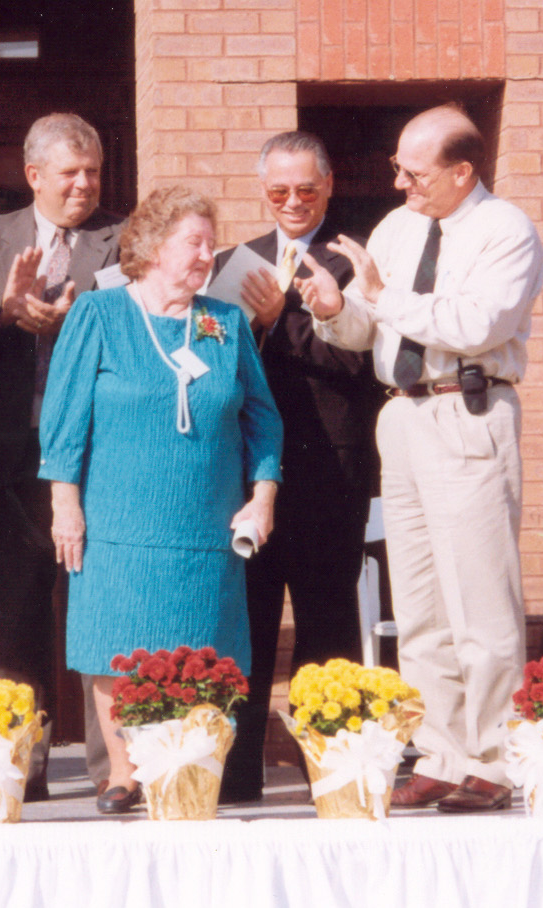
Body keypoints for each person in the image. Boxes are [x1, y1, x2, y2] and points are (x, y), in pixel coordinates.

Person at [301, 104, 543, 813]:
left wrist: (379, 294)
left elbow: (474, 324)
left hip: (466, 411)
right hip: (401, 416)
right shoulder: (399, 227)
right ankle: (440, 752)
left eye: (413, 171)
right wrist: (330, 307)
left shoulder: (505, 231)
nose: (399, 181)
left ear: (462, 170)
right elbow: (365, 326)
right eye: (397, 169)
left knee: (478, 600)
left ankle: (494, 762)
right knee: (417, 603)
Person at [40, 185, 282, 814]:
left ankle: (190, 768)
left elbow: (262, 420)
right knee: (115, 644)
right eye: (192, 243)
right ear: (149, 247)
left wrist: (263, 497)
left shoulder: (222, 323)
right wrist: (65, 503)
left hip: (205, 525)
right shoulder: (99, 315)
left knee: (203, 646)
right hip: (117, 520)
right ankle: (124, 772)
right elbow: (64, 420)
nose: (206, 256)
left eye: (210, 243)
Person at [212, 131, 382, 803]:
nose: (291, 202)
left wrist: (284, 316)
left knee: (326, 621)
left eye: (305, 190)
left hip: (326, 470)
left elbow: (360, 364)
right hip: (247, 473)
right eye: (278, 191)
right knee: (245, 623)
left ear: (329, 185)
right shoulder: (233, 260)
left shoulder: (352, 258)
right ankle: (236, 777)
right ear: (262, 190)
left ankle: (332, 775)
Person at [0, 112, 126, 798]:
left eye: (92, 171)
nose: (84, 184)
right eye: (70, 172)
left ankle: (112, 770)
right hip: (12, 455)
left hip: (99, 455)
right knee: (13, 613)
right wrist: (2, 314)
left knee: (100, 609)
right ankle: (19, 769)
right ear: (33, 175)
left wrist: (86, 319)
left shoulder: (122, 239)